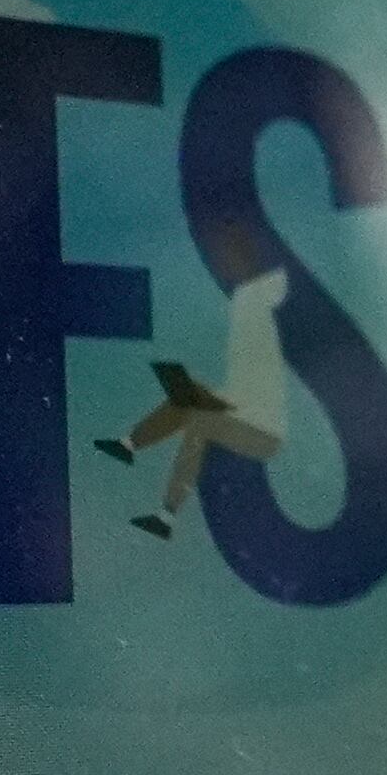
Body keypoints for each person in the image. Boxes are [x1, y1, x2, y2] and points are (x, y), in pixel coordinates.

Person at [96, 233, 293, 544]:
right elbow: (246, 386)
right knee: (188, 395)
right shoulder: (247, 307)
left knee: (200, 420)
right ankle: (129, 445)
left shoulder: (253, 310)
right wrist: (209, 396)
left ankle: (166, 516)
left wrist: (217, 402)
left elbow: (260, 392)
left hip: (264, 431)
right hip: (246, 412)